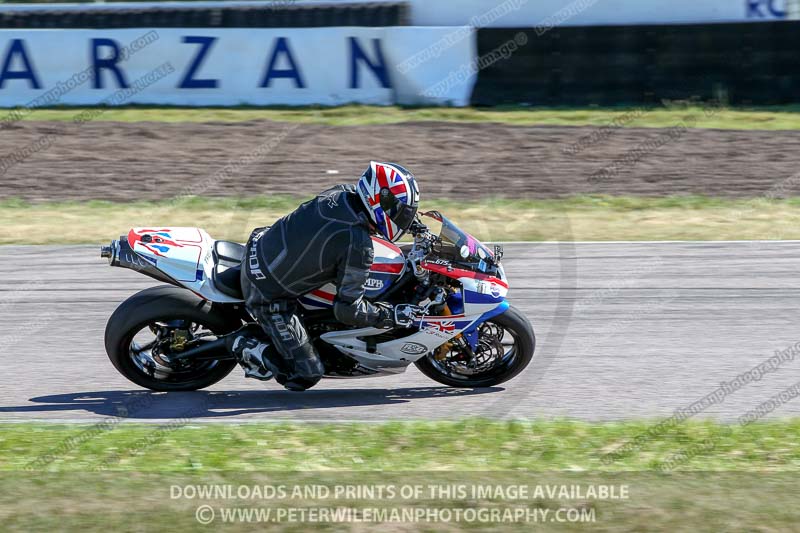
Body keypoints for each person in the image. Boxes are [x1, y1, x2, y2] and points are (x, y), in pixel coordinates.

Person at [228, 161, 421, 391]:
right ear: (379, 202)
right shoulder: (357, 244)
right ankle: (245, 343)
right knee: (306, 374)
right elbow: (348, 310)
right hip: (267, 293)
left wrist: (415, 226)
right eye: (401, 212)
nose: (403, 218)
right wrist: (389, 315)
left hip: (261, 242)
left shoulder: (343, 193)